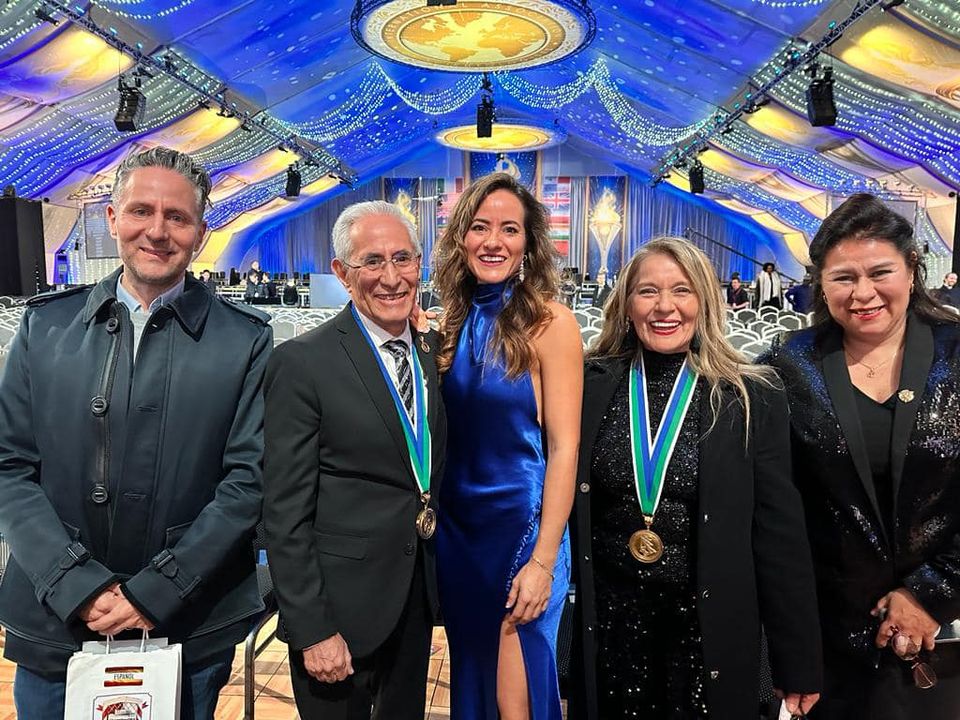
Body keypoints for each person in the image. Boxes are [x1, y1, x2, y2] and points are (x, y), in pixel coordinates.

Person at [0, 146, 272, 719]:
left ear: (201, 233)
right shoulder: (45, 326)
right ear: (112, 218)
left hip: (188, 622)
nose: (158, 231)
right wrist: (75, 583)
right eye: (141, 211)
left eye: (177, 217)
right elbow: (9, 468)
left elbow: (248, 482)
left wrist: (157, 591)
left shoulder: (245, 340)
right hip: (55, 618)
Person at [569, 237, 822, 720]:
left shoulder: (750, 395)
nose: (664, 307)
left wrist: (798, 659)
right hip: (612, 629)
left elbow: (780, 535)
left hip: (707, 634)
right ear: (626, 303)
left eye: (681, 290)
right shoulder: (588, 384)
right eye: (648, 291)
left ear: (705, 300)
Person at [761, 194, 960, 719]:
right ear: (821, 284)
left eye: (880, 273)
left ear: (912, 270)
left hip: (943, 637)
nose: (863, 293)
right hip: (828, 642)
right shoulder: (787, 366)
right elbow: (771, 504)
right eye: (843, 278)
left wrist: (929, 595)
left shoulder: (956, 354)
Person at [263, 200, 446, 720]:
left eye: (402, 259)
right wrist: (312, 628)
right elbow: (283, 511)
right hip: (337, 614)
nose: (391, 277)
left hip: (413, 600)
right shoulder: (303, 362)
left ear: (419, 264)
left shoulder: (432, 352)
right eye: (372, 261)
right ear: (342, 273)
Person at [431, 172, 583, 720]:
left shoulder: (550, 323)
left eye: (509, 229)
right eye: (480, 227)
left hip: (523, 532)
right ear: (461, 237)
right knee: (474, 676)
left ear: (528, 243)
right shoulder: (449, 323)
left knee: (515, 698)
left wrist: (543, 560)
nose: (493, 241)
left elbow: (565, 449)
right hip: (459, 534)